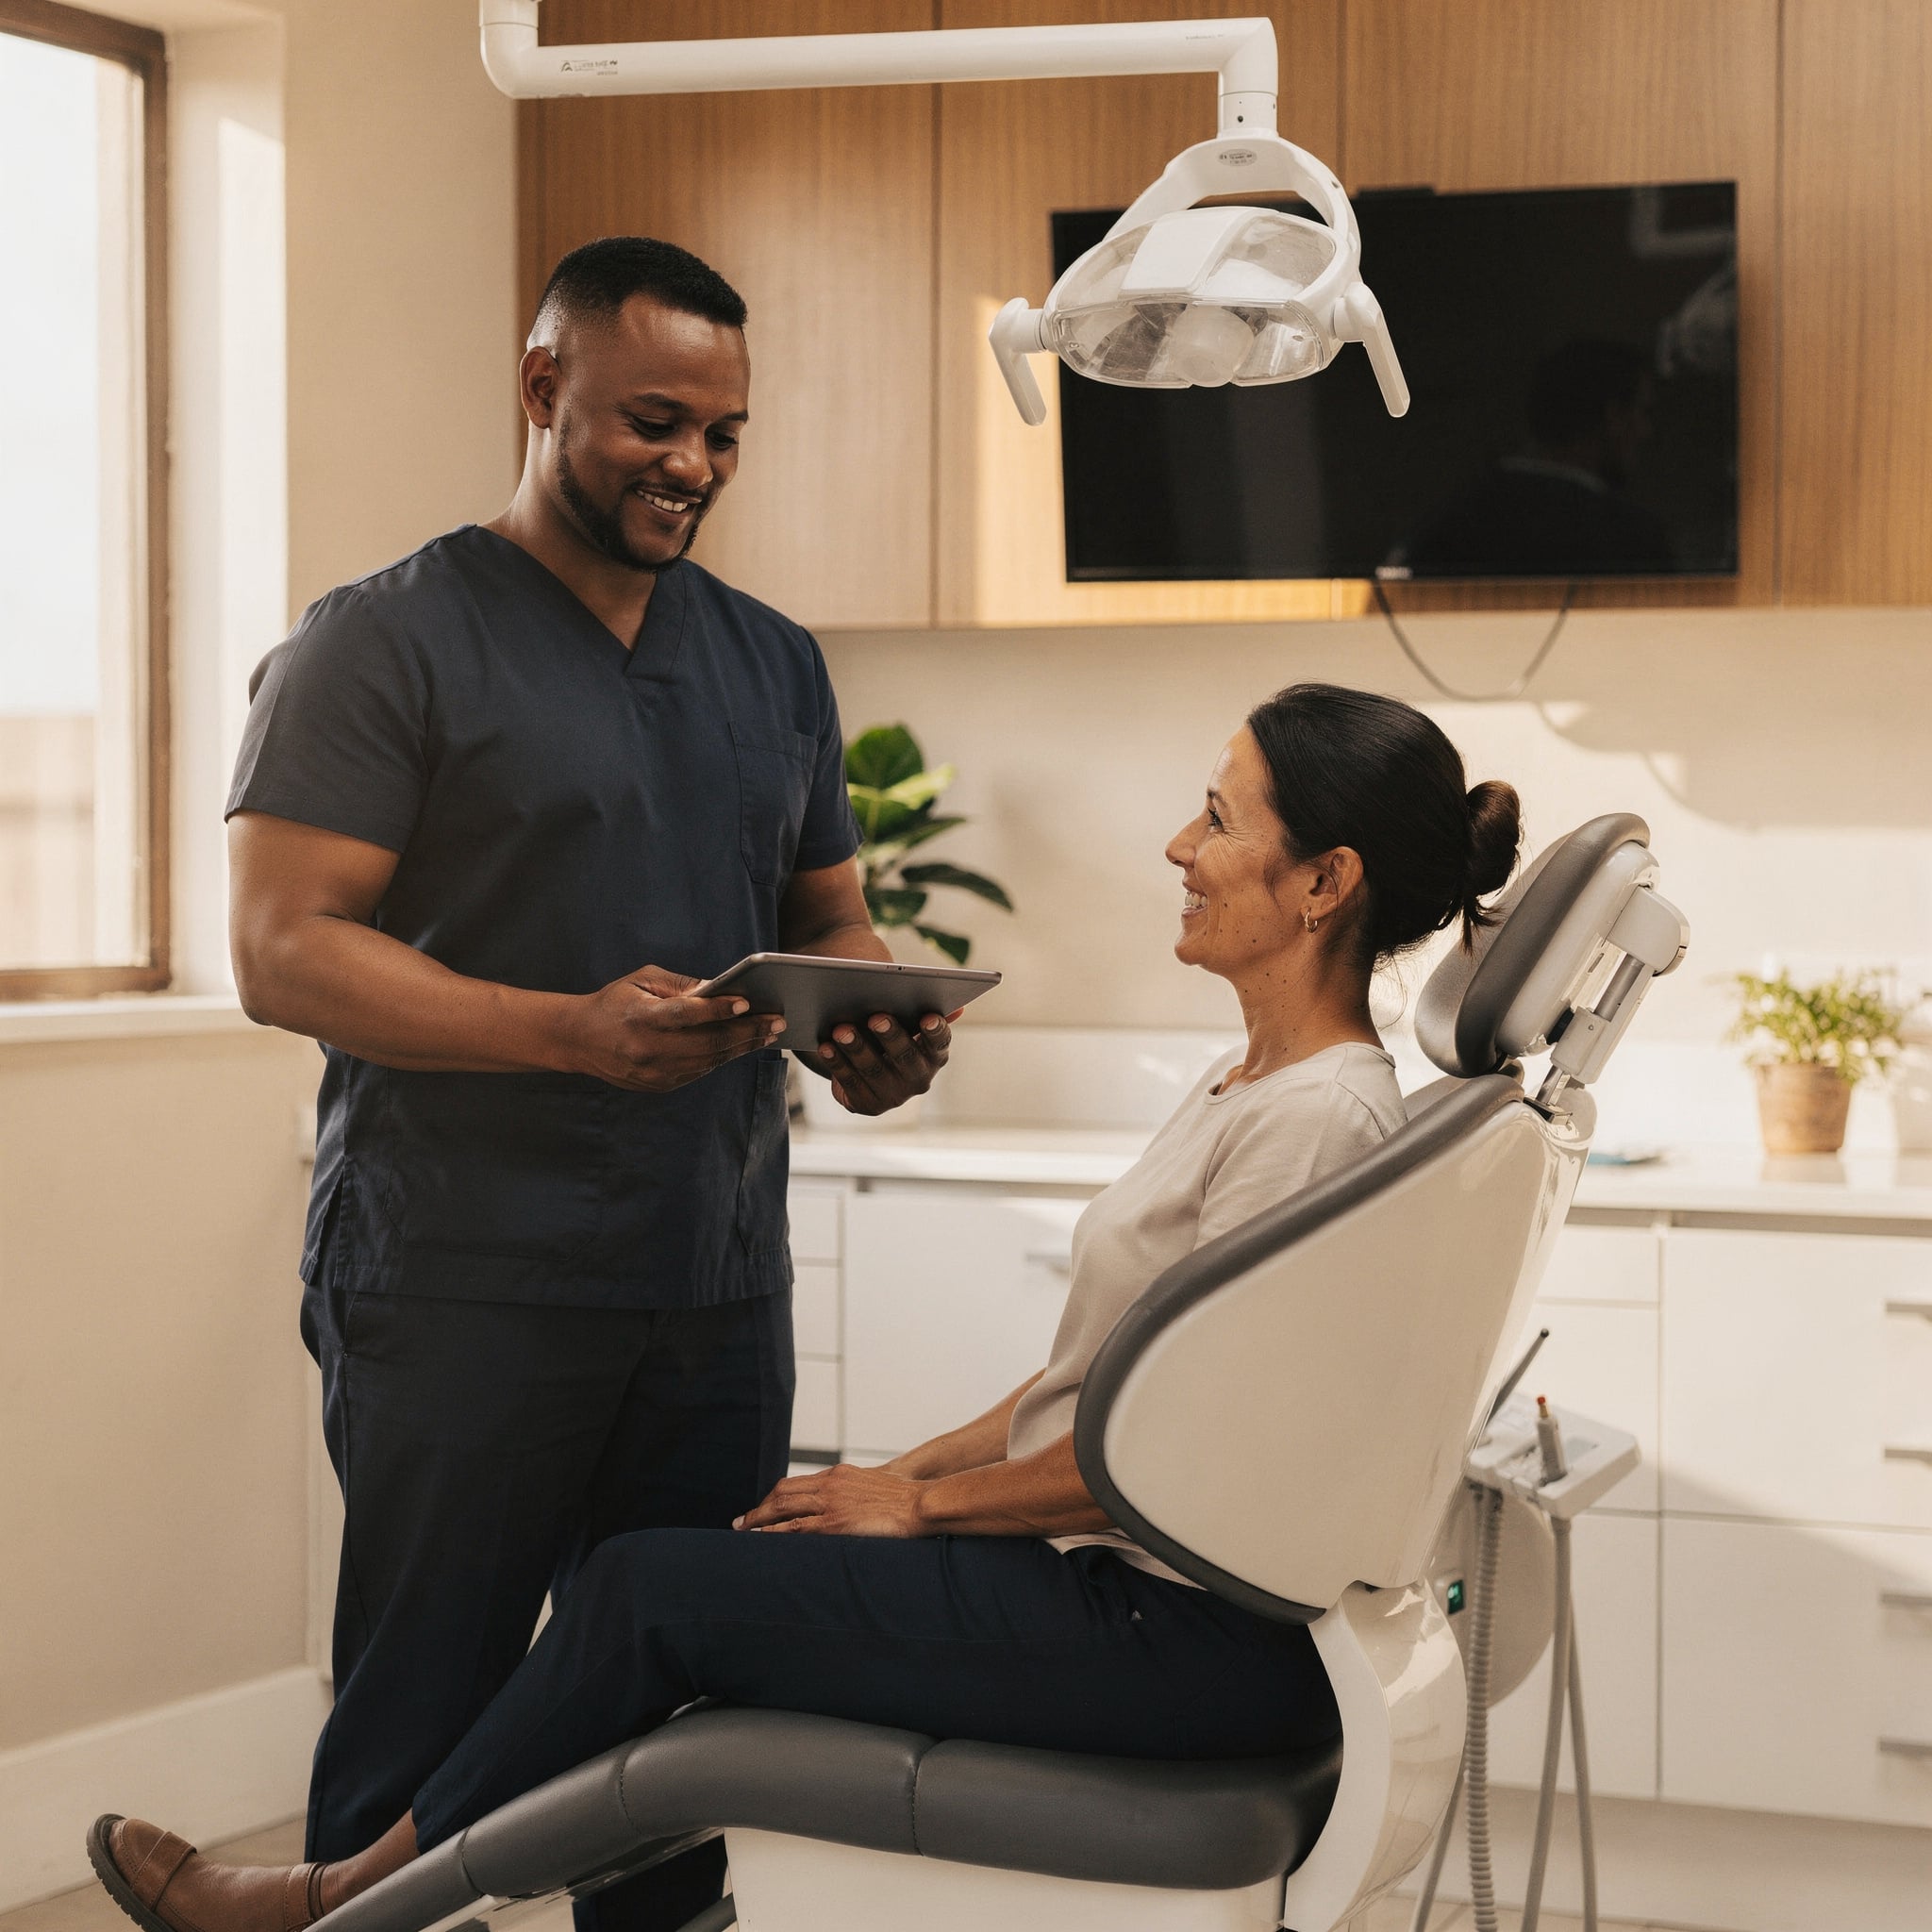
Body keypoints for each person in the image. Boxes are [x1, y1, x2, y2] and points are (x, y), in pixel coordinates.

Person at [90, 684, 1523, 1932]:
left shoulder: (1316, 1125)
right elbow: (1097, 1392)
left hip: (1185, 1644)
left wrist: (921, 1514)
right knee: (693, 1564)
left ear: (1324, 882)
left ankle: (339, 1905)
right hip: (1145, 1605)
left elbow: (1194, 1465)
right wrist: (895, 1476)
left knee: (649, 1593)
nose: (1178, 846)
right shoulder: (1257, 1091)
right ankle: (390, 1892)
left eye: (1218, 817)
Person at [221, 238, 953, 1932]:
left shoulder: (773, 661)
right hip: (467, 1274)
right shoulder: (382, 643)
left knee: (669, 1736)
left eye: (724, 434)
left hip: (707, 1281)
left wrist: (874, 1039)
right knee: (424, 1715)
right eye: (651, 421)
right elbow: (286, 952)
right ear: (542, 387)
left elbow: (829, 918)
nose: (691, 466)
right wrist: (565, 1031)